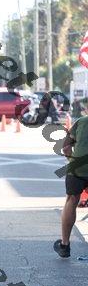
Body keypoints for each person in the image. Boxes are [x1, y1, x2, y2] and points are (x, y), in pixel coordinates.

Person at [54, 103, 88, 258]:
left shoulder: (81, 122)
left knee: (72, 200)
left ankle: (65, 245)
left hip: (77, 169)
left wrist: (72, 160)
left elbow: (66, 147)